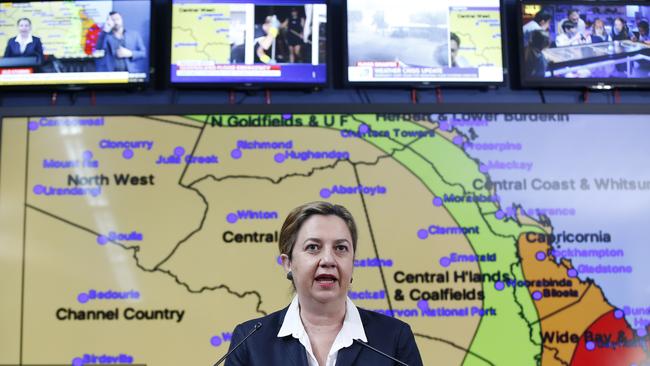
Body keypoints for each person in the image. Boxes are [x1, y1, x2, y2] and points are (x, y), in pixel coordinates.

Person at [224, 202, 423, 366]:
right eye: (313, 247)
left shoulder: (394, 338)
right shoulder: (250, 341)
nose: (328, 259)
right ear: (288, 263)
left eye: (340, 248)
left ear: (352, 262)